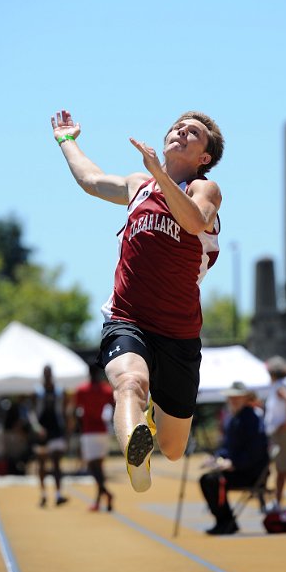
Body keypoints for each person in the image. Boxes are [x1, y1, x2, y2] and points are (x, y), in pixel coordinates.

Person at [51, 108, 224, 493]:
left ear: (204, 158)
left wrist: (160, 174)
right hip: (127, 317)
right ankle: (136, 454)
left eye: (192, 132)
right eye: (177, 126)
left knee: (174, 448)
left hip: (179, 334)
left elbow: (194, 222)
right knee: (128, 382)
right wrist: (67, 141)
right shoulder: (138, 186)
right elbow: (92, 180)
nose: (180, 130)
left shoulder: (203, 190)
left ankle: (152, 431)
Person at [199, 382, 269, 535]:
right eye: (231, 397)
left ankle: (226, 522)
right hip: (237, 469)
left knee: (212, 481)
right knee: (207, 479)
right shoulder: (233, 418)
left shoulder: (252, 418)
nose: (233, 400)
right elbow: (227, 448)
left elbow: (256, 451)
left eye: (237, 397)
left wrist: (234, 464)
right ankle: (224, 521)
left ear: (246, 398)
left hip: (250, 472)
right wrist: (216, 458)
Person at [73, 360, 115, 511]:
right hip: (102, 431)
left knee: (93, 468)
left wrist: (79, 428)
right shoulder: (106, 390)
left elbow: (77, 413)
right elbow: (113, 406)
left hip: (89, 431)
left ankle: (107, 493)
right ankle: (98, 501)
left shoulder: (81, 390)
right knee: (99, 467)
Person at [263, 355, 286, 510]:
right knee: (282, 468)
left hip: (284, 432)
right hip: (280, 432)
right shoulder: (278, 386)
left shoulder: (279, 387)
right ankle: (282, 501)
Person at [29, 365, 69, 507]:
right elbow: (32, 413)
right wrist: (37, 428)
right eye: (45, 373)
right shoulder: (37, 392)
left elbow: (64, 412)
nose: (47, 376)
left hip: (56, 430)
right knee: (42, 464)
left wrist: (66, 432)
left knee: (57, 463)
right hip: (41, 432)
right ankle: (43, 494)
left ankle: (58, 494)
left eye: (49, 373)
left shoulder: (59, 391)